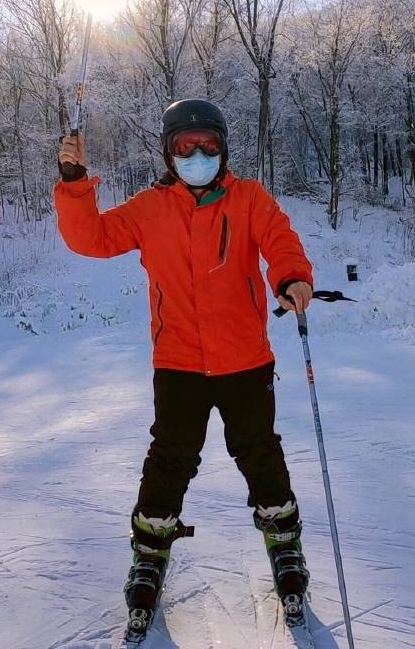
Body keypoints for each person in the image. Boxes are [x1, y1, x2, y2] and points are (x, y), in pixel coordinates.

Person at [54, 99, 317, 621]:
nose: (198, 155)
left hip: (245, 360)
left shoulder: (248, 198)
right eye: (184, 146)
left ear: (224, 149)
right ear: (168, 154)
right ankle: (149, 553)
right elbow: (91, 238)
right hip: (178, 362)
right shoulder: (150, 209)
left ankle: (284, 543)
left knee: (260, 452)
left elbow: (279, 239)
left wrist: (291, 277)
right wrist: (74, 181)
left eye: (208, 146)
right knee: (170, 459)